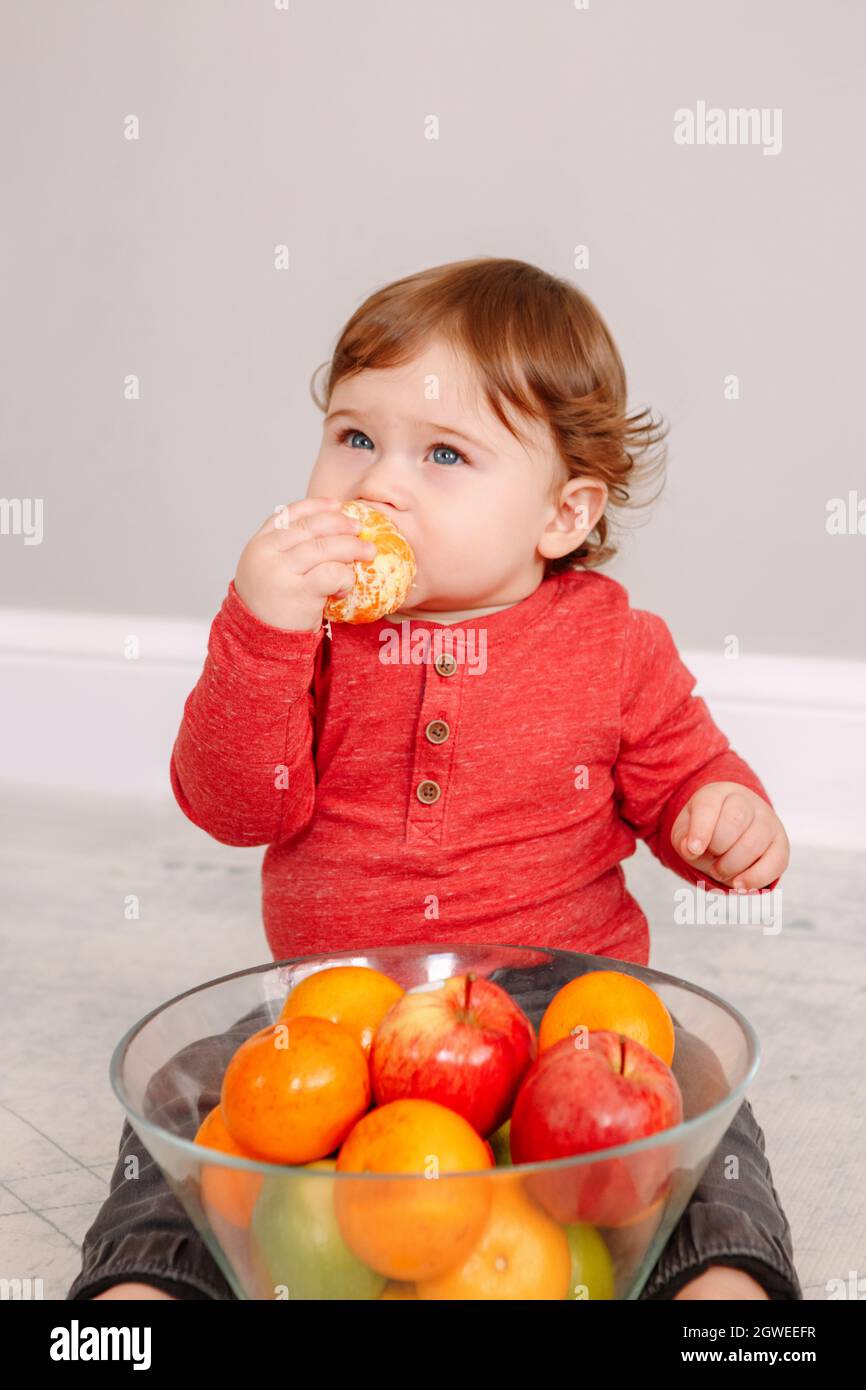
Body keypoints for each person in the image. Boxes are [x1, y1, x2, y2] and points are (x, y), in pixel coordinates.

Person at [67, 256, 801, 1301]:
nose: (375, 483)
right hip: (340, 1006)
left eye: (443, 453)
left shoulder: (612, 643)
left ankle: (719, 1291)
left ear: (560, 515)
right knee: (198, 1101)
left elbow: (684, 771)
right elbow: (233, 805)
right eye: (354, 436)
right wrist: (259, 630)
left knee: (698, 1111)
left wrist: (721, 815)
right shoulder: (305, 638)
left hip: (570, 1007)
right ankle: (139, 1292)